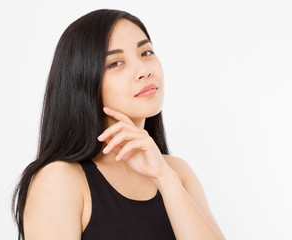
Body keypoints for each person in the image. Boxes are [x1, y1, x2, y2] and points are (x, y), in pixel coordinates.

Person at [11, 9, 226, 240]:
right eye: (116, 63)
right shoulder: (60, 179)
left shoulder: (177, 173)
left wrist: (165, 178)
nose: (144, 71)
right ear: (83, 81)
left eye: (146, 52)